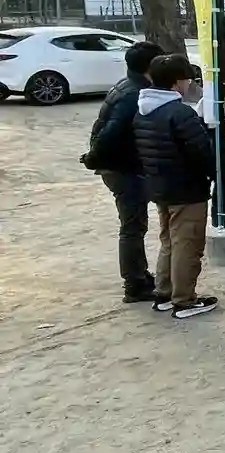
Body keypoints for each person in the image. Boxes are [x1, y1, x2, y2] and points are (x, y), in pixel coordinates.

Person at [133, 53, 218, 319]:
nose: (189, 84)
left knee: (169, 241)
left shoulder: (143, 110)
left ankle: (164, 293)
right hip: (187, 190)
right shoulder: (180, 113)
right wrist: (213, 175)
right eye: (187, 79)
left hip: (159, 186)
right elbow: (202, 152)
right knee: (187, 245)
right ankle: (184, 300)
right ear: (176, 82)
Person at [84, 40, 164, 303]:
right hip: (122, 169)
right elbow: (110, 133)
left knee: (134, 224)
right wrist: (93, 158)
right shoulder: (133, 95)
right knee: (132, 227)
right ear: (150, 66)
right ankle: (135, 283)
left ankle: (139, 275)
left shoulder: (128, 86)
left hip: (121, 166)